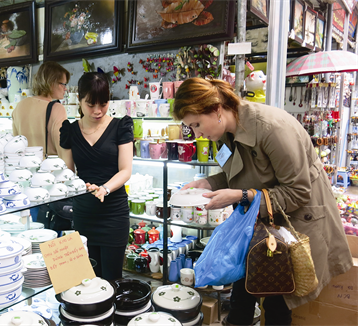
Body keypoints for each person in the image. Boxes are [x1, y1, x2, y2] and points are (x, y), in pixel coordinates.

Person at [173, 77, 353, 326]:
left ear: (216, 109)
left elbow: (298, 192)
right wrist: (209, 184)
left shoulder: (272, 128)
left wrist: (240, 196)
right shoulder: (225, 133)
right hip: (259, 223)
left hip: (295, 223)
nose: (196, 133)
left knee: (277, 301)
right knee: (242, 292)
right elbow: (234, 172)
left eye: (196, 124)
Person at [59, 72, 133, 280]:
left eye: (104, 103)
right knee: (87, 280)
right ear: (79, 100)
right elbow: (67, 172)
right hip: (84, 212)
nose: (98, 111)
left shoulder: (121, 127)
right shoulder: (70, 131)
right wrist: (78, 185)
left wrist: (105, 188)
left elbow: (125, 170)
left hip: (114, 214)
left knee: (112, 279)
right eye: (91, 104)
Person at [12, 61, 73, 170]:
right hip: (48, 171)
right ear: (51, 82)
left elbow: (16, 143)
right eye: (63, 84)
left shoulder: (20, 106)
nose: (65, 88)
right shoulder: (56, 108)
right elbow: (63, 149)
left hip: (24, 169)